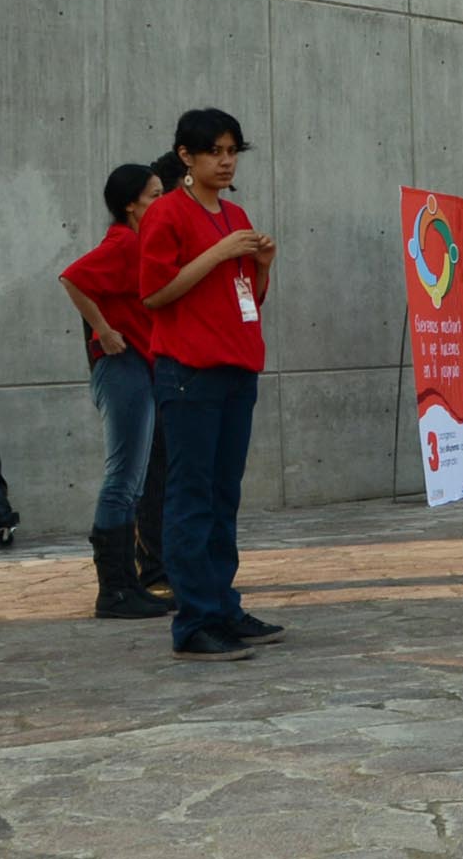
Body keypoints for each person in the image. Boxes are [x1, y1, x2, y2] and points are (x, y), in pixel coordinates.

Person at [139, 108, 281, 663]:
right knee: (191, 496)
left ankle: (223, 607)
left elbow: (247, 296)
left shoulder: (235, 213)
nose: (226, 162)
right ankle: (195, 621)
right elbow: (154, 293)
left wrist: (262, 264)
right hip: (190, 373)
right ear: (186, 156)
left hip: (237, 367)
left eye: (232, 152)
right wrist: (218, 253)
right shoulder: (167, 213)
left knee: (224, 495)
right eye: (214, 152)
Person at [58, 163, 172, 620]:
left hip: (138, 367)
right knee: (123, 481)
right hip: (122, 368)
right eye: (154, 195)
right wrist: (103, 330)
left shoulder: (141, 243)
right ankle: (114, 590)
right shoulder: (124, 243)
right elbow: (73, 277)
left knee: (132, 482)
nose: (162, 203)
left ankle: (126, 585)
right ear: (130, 204)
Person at [130, 149, 188, 599]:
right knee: (155, 473)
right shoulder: (134, 242)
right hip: (147, 372)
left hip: (172, 368)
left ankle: (173, 565)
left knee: (173, 472)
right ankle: (153, 570)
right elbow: (76, 279)